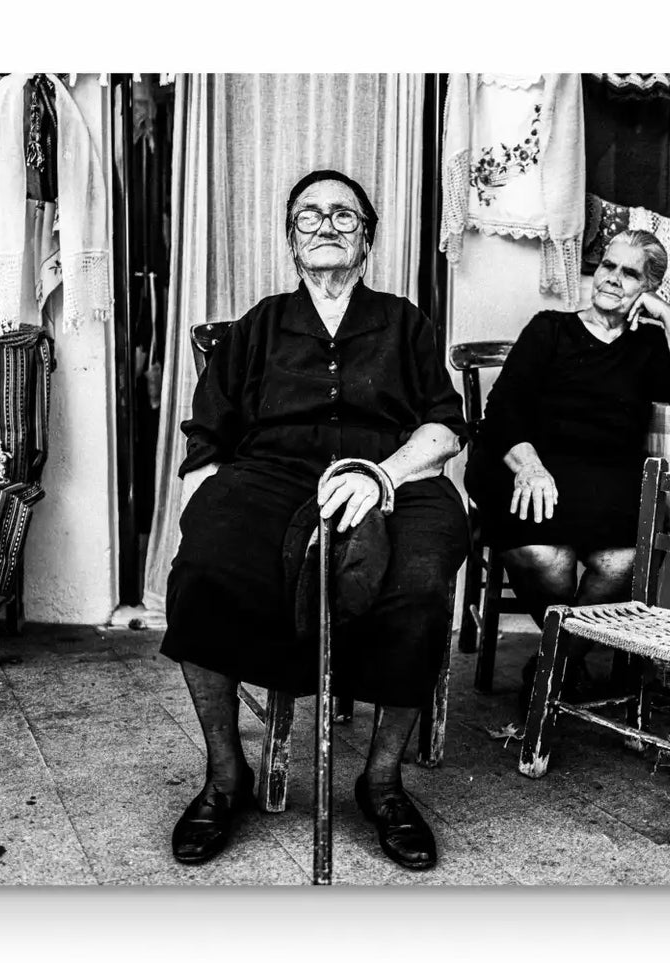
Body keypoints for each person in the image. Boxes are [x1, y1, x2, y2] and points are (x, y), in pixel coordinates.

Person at [162, 170, 470, 871]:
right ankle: (224, 773)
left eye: (343, 215)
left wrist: (381, 475)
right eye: (309, 215)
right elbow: (207, 436)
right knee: (204, 573)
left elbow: (445, 428)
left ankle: (382, 781)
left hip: (394, 474)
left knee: (420, 582)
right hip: (272, 477)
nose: (326, 225)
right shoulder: (259, 326)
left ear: (367, 237)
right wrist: (201, 515)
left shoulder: (404, 322)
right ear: (290, 238)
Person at [463, 229, 670, 708]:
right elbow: (502, 412)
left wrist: (666, 315)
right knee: (549, 558)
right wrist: (530, 466)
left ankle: (550, 669)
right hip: (529, 466)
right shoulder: (550, 329)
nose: (612, 279)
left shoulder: (646, 345)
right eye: (608, 266)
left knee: (622, 560)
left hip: (605, 478)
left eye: (630, 274)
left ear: (646, 287)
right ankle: (564, 667)